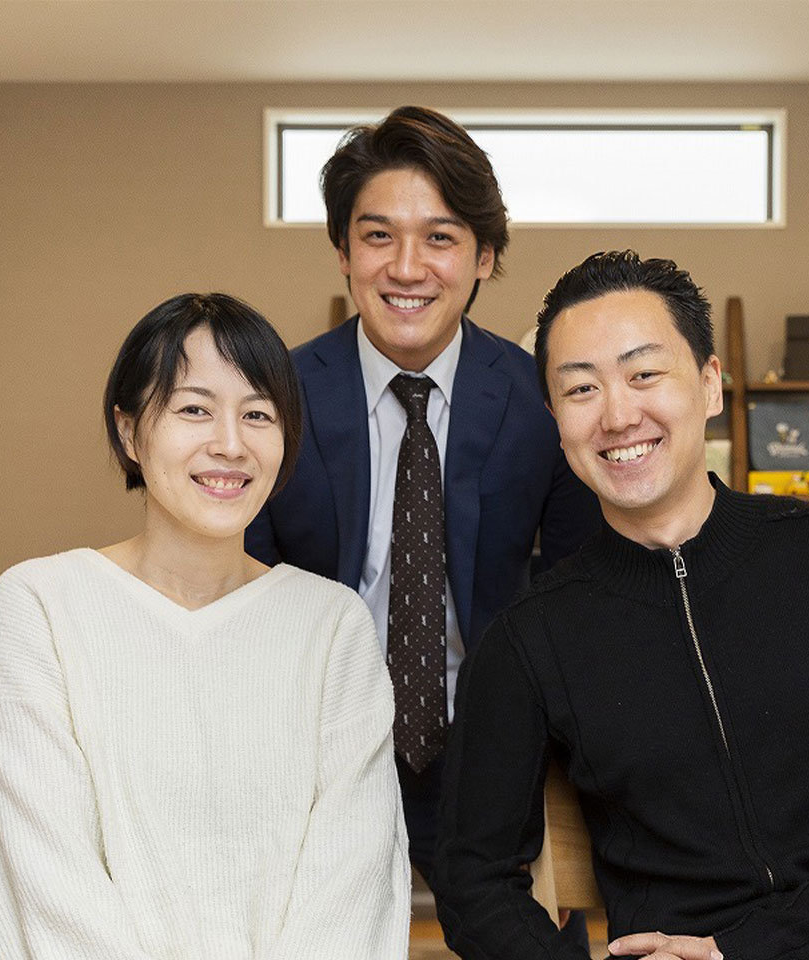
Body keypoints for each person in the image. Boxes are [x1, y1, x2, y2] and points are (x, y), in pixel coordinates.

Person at [435, 252, 809, 960]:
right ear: (555, 420)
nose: (618, 415)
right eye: (581, 388)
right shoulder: (528, 639)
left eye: (644, 374)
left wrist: (751, 951)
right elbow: (472, 878)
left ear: (711, 384)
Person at [0, 293, 410, 960]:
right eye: (194, 409)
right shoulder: (39, 606)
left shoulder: (332, 625)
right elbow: (47, 880)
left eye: (257, 414)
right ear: (129, 432)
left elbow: (353, 878)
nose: (230, 444)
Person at [245, 106, 600, 884]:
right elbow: (245, 586)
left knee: (523, 932)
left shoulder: (542, 399)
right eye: (379, 236)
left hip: (490, 740)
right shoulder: (274, 396)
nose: (407, 269)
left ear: (484, 256)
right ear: (343, 252)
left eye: (440, 238)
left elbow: (579, 586)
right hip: (312, 742)